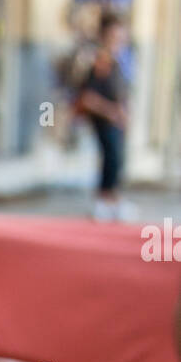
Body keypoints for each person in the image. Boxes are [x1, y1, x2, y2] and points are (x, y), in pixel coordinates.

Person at [77, 13, 130, 221]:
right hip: (105, 120)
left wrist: (124, 111)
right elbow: (88, 97)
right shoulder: (101, 61)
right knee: (111, 157)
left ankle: (113, 200)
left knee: (116, 158)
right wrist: (112, 112)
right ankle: (104, 200)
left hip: (116, 120)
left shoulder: (117, 60)